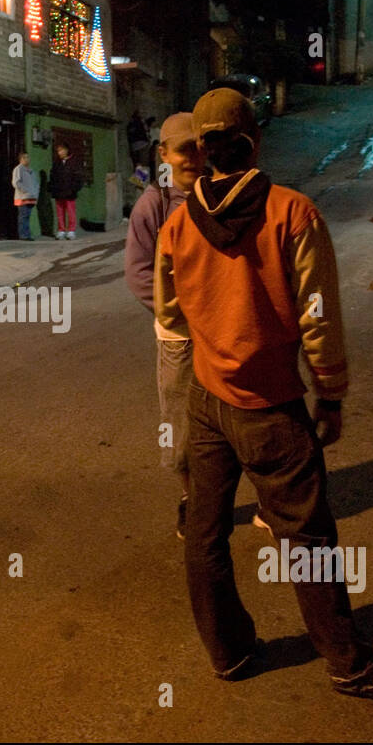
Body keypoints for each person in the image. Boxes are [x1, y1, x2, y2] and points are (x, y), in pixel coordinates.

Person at [155, 88, 373, 702]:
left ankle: (228, 653)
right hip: (272, 407)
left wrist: (213, 339)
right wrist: (329, 394)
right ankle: (351, 667)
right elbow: (318, 318)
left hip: (206, 401)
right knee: (307, 541)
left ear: (201, 151)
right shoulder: (292, 213)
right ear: (253, 142)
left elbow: (170, 317)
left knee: (205, 534)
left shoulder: (177, 224)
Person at [124, 113, 204, 539]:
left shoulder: (219, 193)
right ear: (164, 154)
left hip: (227, 335)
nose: (191, 157)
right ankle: (192, 499)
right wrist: (176, 314)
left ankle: (257, 498)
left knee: (241, 418)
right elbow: (138, 272)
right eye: (182, 149)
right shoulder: (153, 204)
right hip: (181, 339)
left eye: (198, 147)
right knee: (181, 423)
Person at [49, 143, 83, 240]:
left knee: (71, 211)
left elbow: (78, 177)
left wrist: (74, 189)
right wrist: (53, 188)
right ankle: (61, 230)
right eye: (58, 151)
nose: (60, 152)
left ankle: (71, 230)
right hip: (58, 191)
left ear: (67, 150)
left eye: (61, 150)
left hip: (70, 191)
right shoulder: (56, 163)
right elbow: (52, 176)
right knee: (60, 212)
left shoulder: (74, 162)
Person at [12, 151, 39, 241]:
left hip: (31, 197)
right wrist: (25, 191)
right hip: (22, 197)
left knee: (27, 216)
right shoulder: (18, 169)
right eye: (24, 158)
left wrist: (35, 193)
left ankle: (27, 234)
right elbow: (16, 182)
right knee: (23, 216)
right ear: (20, 159)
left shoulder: (31, 171)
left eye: (27, 157)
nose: (27, 159)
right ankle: (24, 235)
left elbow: (36, 183)